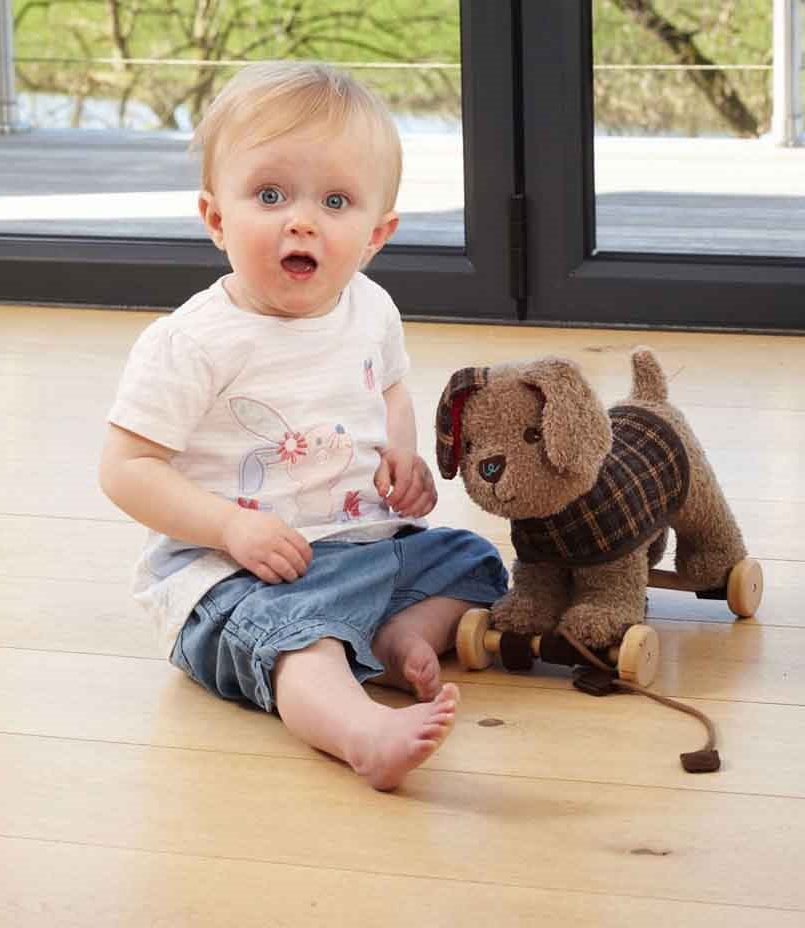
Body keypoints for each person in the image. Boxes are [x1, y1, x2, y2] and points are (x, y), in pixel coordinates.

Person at [99, 60, 508, 791]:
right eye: (269, 195)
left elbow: (390, 389)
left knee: (476, 562)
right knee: (295, 639)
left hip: (365, 545)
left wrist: (403, 455)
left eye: (335, 201)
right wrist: (230, 528)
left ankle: (397, 635)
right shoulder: (192, 342)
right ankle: (359, 730)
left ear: (376, 234)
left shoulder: (371, 308)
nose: (302, 219)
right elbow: (124, 470)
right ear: (216, 219)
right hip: (236, 577)